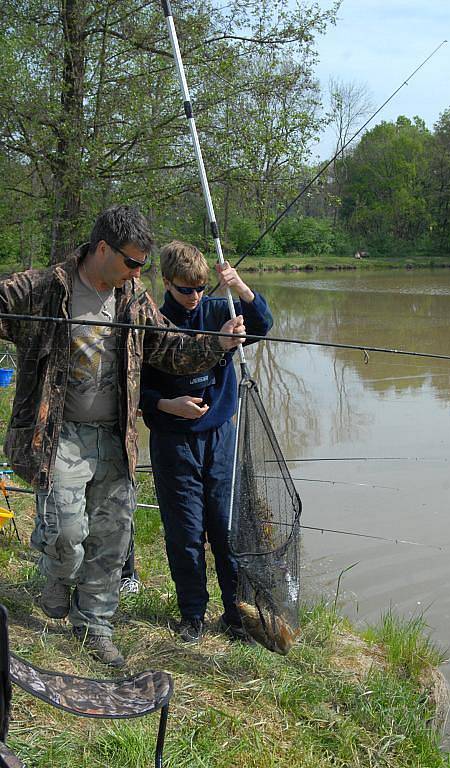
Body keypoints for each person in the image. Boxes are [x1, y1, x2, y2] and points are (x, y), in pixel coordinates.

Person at [0, 206, 245, 666]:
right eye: (132, 262)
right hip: (58, 435)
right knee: (66, 535)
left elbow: (168, 346)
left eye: (142, 265)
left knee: (112, 539)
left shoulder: (132, 297)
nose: (137, 272)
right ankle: (57, 573)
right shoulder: (42, 288)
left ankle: (95, 624)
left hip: (114, 434)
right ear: (101, 249)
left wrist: (217, 343)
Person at [140, 240, 273, 643]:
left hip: (219, 438)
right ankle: (193, 614)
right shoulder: (154, 323)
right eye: (185, 289)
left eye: (200, 288)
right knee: (185, 533)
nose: (195, 297)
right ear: (166, 282)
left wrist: (242, 289)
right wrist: (168, 404)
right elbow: (137, 390)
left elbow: (262, 323)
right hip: (174, 440)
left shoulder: (221, 310)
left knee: (226, 529)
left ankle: (235, 614)